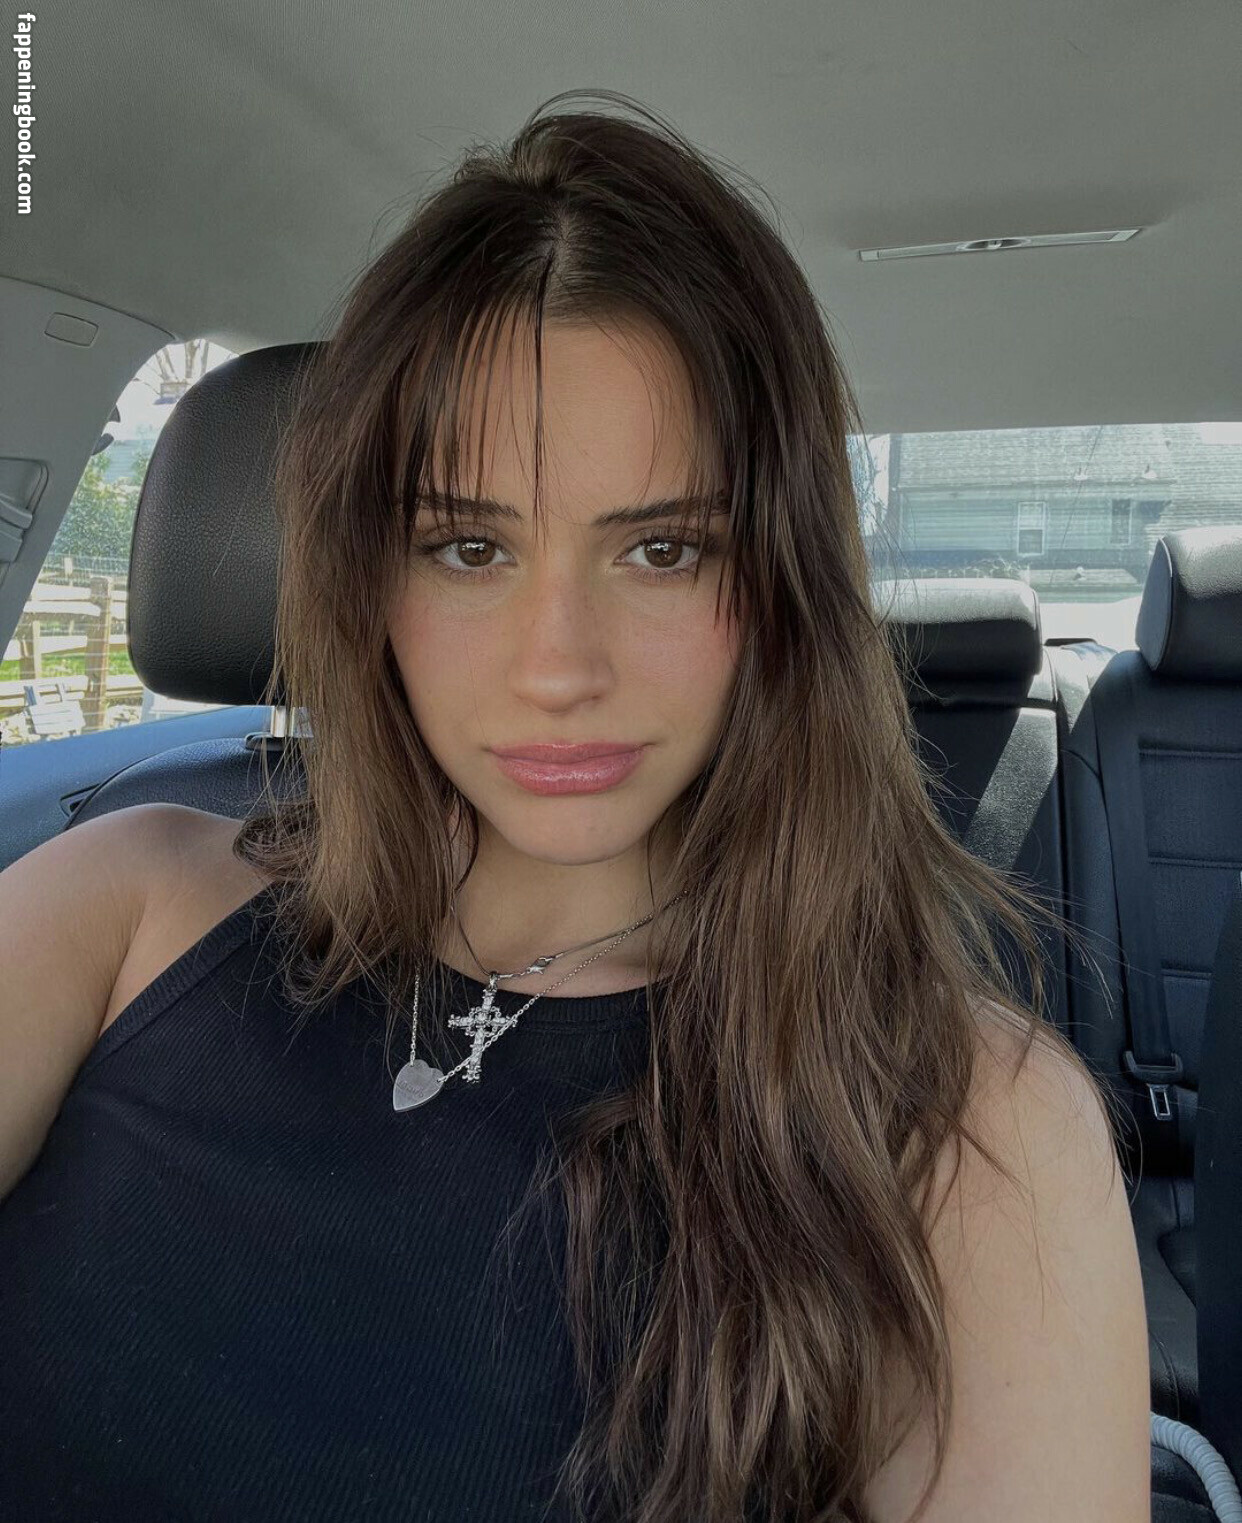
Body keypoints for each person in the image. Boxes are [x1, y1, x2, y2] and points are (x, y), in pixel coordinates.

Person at [0, 89, 1151, 1523]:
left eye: (662, 550)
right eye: (467, 548)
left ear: (779, 584)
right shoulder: (115, 907)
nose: (558, 668)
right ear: (367, 581)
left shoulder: (968, 1130)